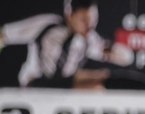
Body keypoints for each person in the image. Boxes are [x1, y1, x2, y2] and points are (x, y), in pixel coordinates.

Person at [0, 0, 132, 89]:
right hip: (36, 82)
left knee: (101, 79)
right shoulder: (48, 25)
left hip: (65, 85)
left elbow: (126, 58)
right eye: (83, 20)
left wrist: (109, 48)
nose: (89, 25)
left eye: (92, 20)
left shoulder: (89, 39)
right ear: (70, 14)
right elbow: (4, 35)